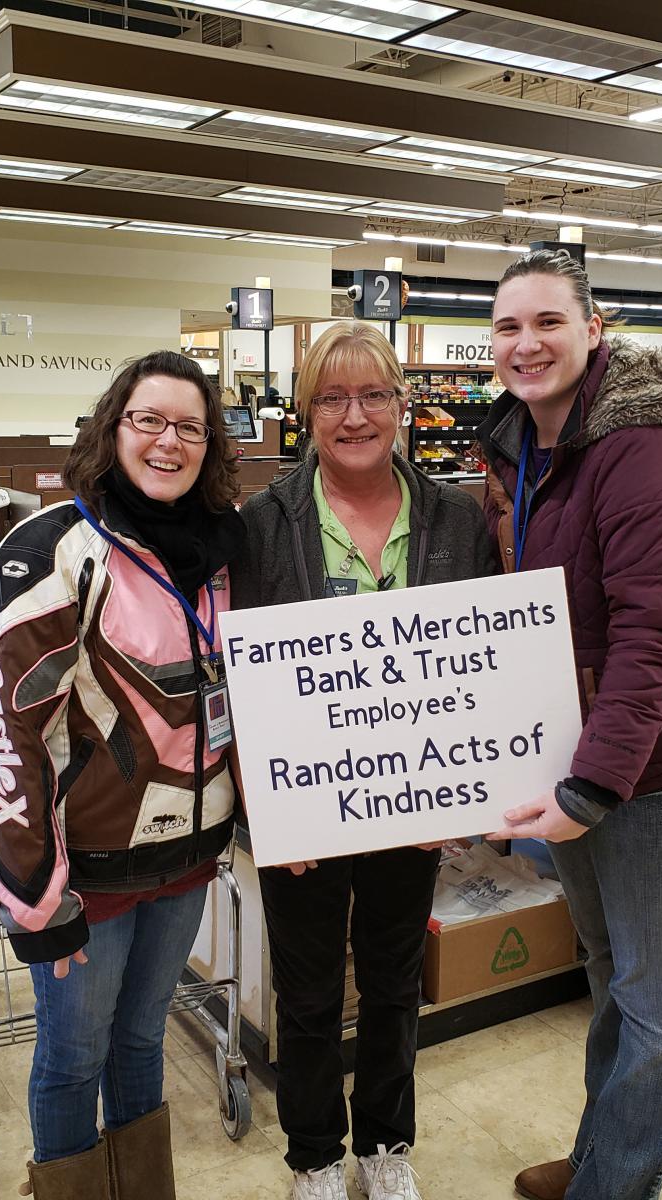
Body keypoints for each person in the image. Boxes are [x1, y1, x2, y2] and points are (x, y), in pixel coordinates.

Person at [477, 251, 662, 1200]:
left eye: (548, 322)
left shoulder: (644, 442)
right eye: (509, 327)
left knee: (652, 999)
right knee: (609, 974)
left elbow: (659, 628)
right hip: (583, 754)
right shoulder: (525, 446)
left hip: (656, 767)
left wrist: (596, 783)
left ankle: (618, 1185)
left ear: (593, 329)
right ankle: (603, 1152)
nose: (527, 344)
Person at [0, 350, 245, 1200]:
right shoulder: (51, 551)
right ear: (112, 426)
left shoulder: (223, 553)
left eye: (189, 426)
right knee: (73, 1058)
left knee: (142, 1039)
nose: (168, 441)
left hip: (188, 862)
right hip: (83, 879)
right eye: (147, 420)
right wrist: (37, 895)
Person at [230, 321, 497, 1200]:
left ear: (402, 406)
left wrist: (472, 781)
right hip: (307, 805)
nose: (355, 415)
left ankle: (385, 1146)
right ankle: (313, 1155)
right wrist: (264, 804)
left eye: (373, 394)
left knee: (390, 982)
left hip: (412, 799)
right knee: (307, 992)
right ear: (306, 413)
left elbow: (479, 662)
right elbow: (236, 676)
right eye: (333, 398)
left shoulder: (456, 519)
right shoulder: (262, 526)